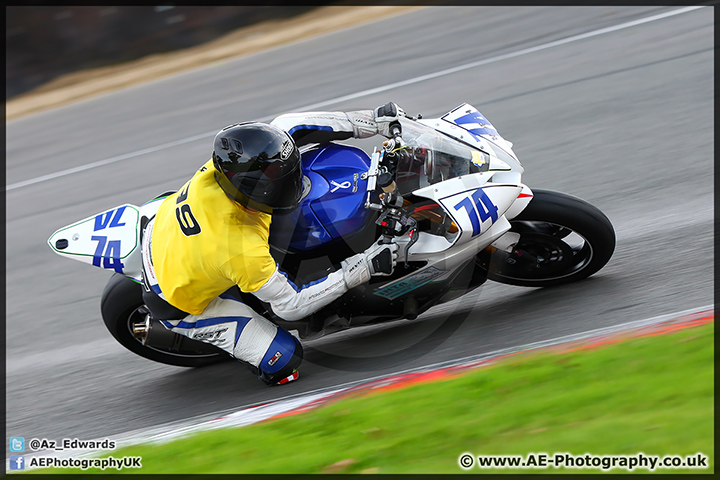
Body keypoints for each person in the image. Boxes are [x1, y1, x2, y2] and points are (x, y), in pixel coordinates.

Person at [140, 103, 405, 385]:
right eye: (279, 182)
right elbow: (291, 305)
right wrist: (362, 268)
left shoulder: (235, 166)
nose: (294, 181)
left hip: (167, 224)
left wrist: (368, 122)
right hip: (173, 296)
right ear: (255, 190)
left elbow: (290, 125)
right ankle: (241, 347)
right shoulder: (238, 247)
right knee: (285, 361)